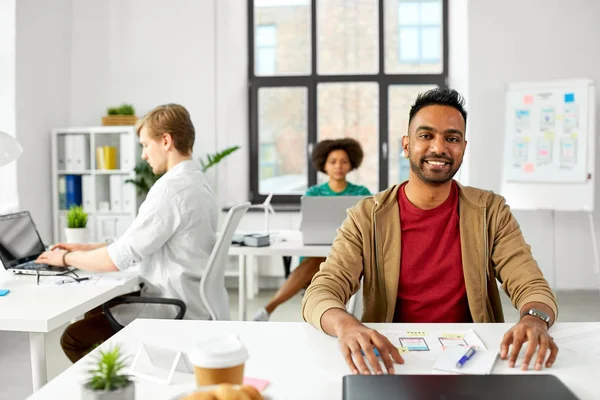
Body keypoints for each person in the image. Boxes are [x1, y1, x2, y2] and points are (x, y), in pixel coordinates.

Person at [301, 88, 559, 376]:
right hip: (392, 358)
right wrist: (346, 325)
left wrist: (534, 319)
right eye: (426, 136)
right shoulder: (367, 216)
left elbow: (531, 283)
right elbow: (321, 291)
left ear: (463, 146)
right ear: (407, 145)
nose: (439, 148)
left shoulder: (490, 211)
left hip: (471, 358)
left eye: (452, 138)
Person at [36, 103, 219, 362]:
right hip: (193, 299)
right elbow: (144, 240)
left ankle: (120, 386)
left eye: (145, 145)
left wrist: (64, 259)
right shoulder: (198, 184)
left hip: (171, 306)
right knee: (96, 310)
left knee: (73, 338)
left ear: (165, 141)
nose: (143, 155)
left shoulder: (170, 190)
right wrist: (90, 248)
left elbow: (116, 260)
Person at [253, 138, 371, 321]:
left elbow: (367, 225)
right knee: (319, 258)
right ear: (324, 164)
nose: (338, 166)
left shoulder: (361, 193)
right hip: (316, 253)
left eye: (343, 161)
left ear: (351, 165)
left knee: (330, 258)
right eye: (333, 162)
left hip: (351, 250)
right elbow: (307, 226)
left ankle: (268, 310)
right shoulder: (313, 194)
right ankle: (269, 309)